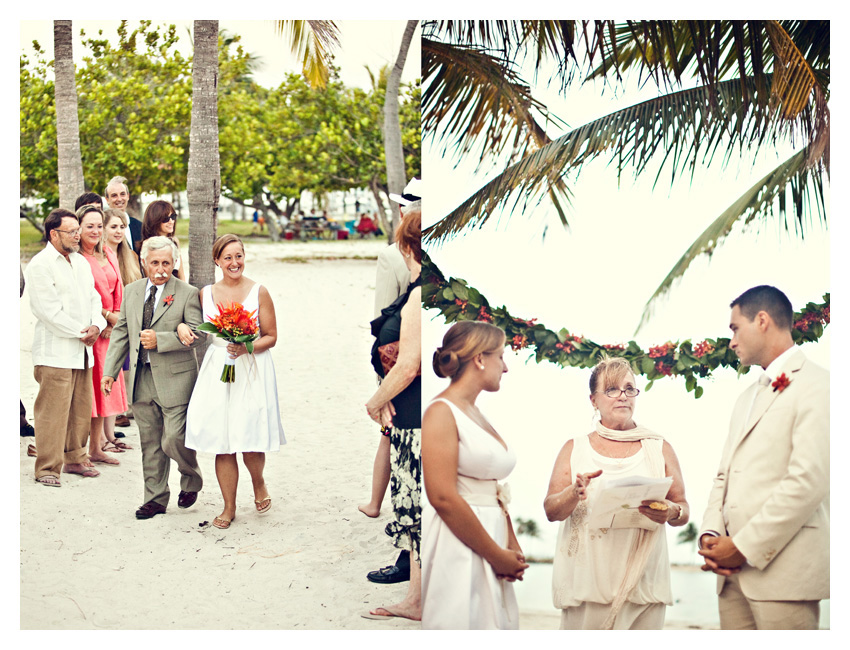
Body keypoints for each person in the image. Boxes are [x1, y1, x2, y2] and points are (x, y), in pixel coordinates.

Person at [698, 286, 829, 630]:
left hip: (784, 575)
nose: (731, 340)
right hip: (730, 579)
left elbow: (808, 481)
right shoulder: (745, 397)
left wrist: (742, 546)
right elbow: (724, 476)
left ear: (762, 320)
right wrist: (710, 536)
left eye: (734, 328)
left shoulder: (820, 385)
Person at [544, 356, 689, 630]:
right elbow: (551, 510)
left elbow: (682, 509)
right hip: (589, 583)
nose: (622, 396)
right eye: (611, 389)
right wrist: (574, 493)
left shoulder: (659, 447)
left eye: (629, 388)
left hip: (644, 582)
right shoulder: (575, 448)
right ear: (593, 400)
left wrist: (670, 511)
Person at [421, 321, 528, 629]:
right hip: (460, 540)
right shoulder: (441, 412)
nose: (505, 368)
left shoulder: (475, 412)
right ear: (481, 358)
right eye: (501, 356)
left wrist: (510, 542)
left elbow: (493, 487)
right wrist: (495, 554)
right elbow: (442, 497)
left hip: (492, 534)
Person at [180, 235, 285, 530]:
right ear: (217, 261)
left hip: (252, 367)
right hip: (218, 368)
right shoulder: (206, 294)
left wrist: (245, 347)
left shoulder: (259, 292)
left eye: (238, 256)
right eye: (227, 257)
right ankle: (229, 506)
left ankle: (259, 481)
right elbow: (192, 325)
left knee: (249, 435)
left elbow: (271, 336)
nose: (234, 263)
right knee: (222, 439)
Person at [101, 236, 204, 519]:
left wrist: (161, 339)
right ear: (143, 261)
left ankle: (191, 479)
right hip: (140, 378)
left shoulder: (186, 292)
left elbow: (198, 334)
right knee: (150, 442)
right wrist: (109, 371)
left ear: (174, 263)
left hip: (176, 378)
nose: (160, 269)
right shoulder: (132, 291)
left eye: (166, 263)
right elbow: (122, 332)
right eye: (155, 263)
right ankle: (155, 499)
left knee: (173, 439)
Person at [362, 210, 422, 621]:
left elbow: (410, 363)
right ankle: (417, 595)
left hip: (413, 413)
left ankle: (417, 600)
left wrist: (374, 400)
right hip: (410, 407)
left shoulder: (422, 293)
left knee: (415, 508)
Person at [25, 208, 107, 486]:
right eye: (71, 231)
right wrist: (81, 332)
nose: (78, 235)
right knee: (52, 414)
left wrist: (96, 325)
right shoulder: (40, 265)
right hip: (55, 352)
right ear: (53, 234)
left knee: (80, 410)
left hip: (83, 349)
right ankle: (47, 468)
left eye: (77, 230)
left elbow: (95, 299)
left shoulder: (80, 262)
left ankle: (74, 459)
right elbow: (48, 311)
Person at [76, 204, 130, 464]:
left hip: (111, 332)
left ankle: (97, 448)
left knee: (104, 390)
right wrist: (106, 317)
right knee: (91, 391)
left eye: (99, 225)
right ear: (79, 228)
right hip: (93, 332)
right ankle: (85, 448)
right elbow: (84, 298)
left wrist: (116, 319)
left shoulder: (108, 252)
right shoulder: (77, 259)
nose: (96, 231)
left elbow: (119, 288)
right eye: (90, 226)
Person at [103, 208, 143, 430]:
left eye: (122, 227)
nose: (119, 231)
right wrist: (110, 319)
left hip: (129, 318)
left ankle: (124, 409)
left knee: (128, 369)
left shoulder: (131, 257)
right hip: (110, 321)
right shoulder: (100, 257)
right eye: (114, 227)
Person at [142, 199, 186, 280]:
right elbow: (150, 278)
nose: (171, 221)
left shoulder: (175, 241)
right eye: (166, 219)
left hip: (178, 288)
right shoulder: (147, 244)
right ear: (155, 220)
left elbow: (181, 274)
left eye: (173, 217)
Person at [104, 176, 143, 254]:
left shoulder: (140, 227)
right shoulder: (102, 226)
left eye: (122, 194)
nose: (119, 199)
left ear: (128, 196)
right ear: (107, 199)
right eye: (114, 195)